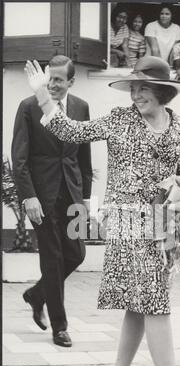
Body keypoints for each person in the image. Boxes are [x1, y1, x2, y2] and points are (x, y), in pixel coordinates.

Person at [25, 56, 180, 366]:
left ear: (163, 91)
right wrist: (42, 94)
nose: (136, 94)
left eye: (144, 88)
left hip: (161, 228)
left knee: (139, 306)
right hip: (126, 222)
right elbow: (69, 131)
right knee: (155, 302)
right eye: (133, 88)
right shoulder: (119, 120)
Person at [12, 55, 93, 347]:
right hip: (42, 196)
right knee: (53, 258)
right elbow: (18, 159)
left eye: (59, 80)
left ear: (72, 81)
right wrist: (28, 196)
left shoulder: (81, 107)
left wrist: (85, 199)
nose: (53, 84)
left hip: (71, 193)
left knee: (77, 254)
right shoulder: (28, 106)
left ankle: (37, 294)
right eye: (50, 78)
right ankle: (60, 327)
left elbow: (84, 156)